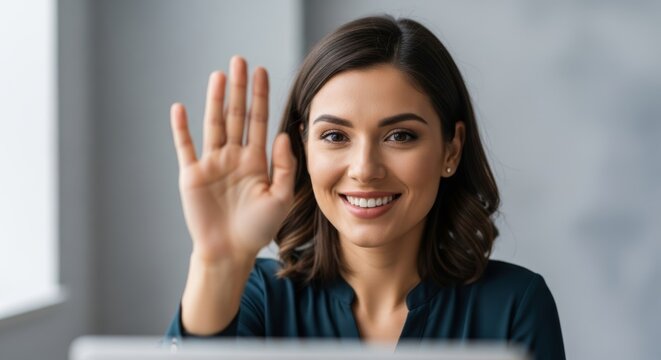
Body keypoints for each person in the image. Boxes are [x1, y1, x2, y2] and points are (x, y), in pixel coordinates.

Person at [165, 15, 565, 359]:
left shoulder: (515, 304)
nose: (365, 169)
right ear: (303, 148)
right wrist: (216, 261)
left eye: (400, 136)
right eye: (336, 136)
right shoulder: (259, 297)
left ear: (452, 149)